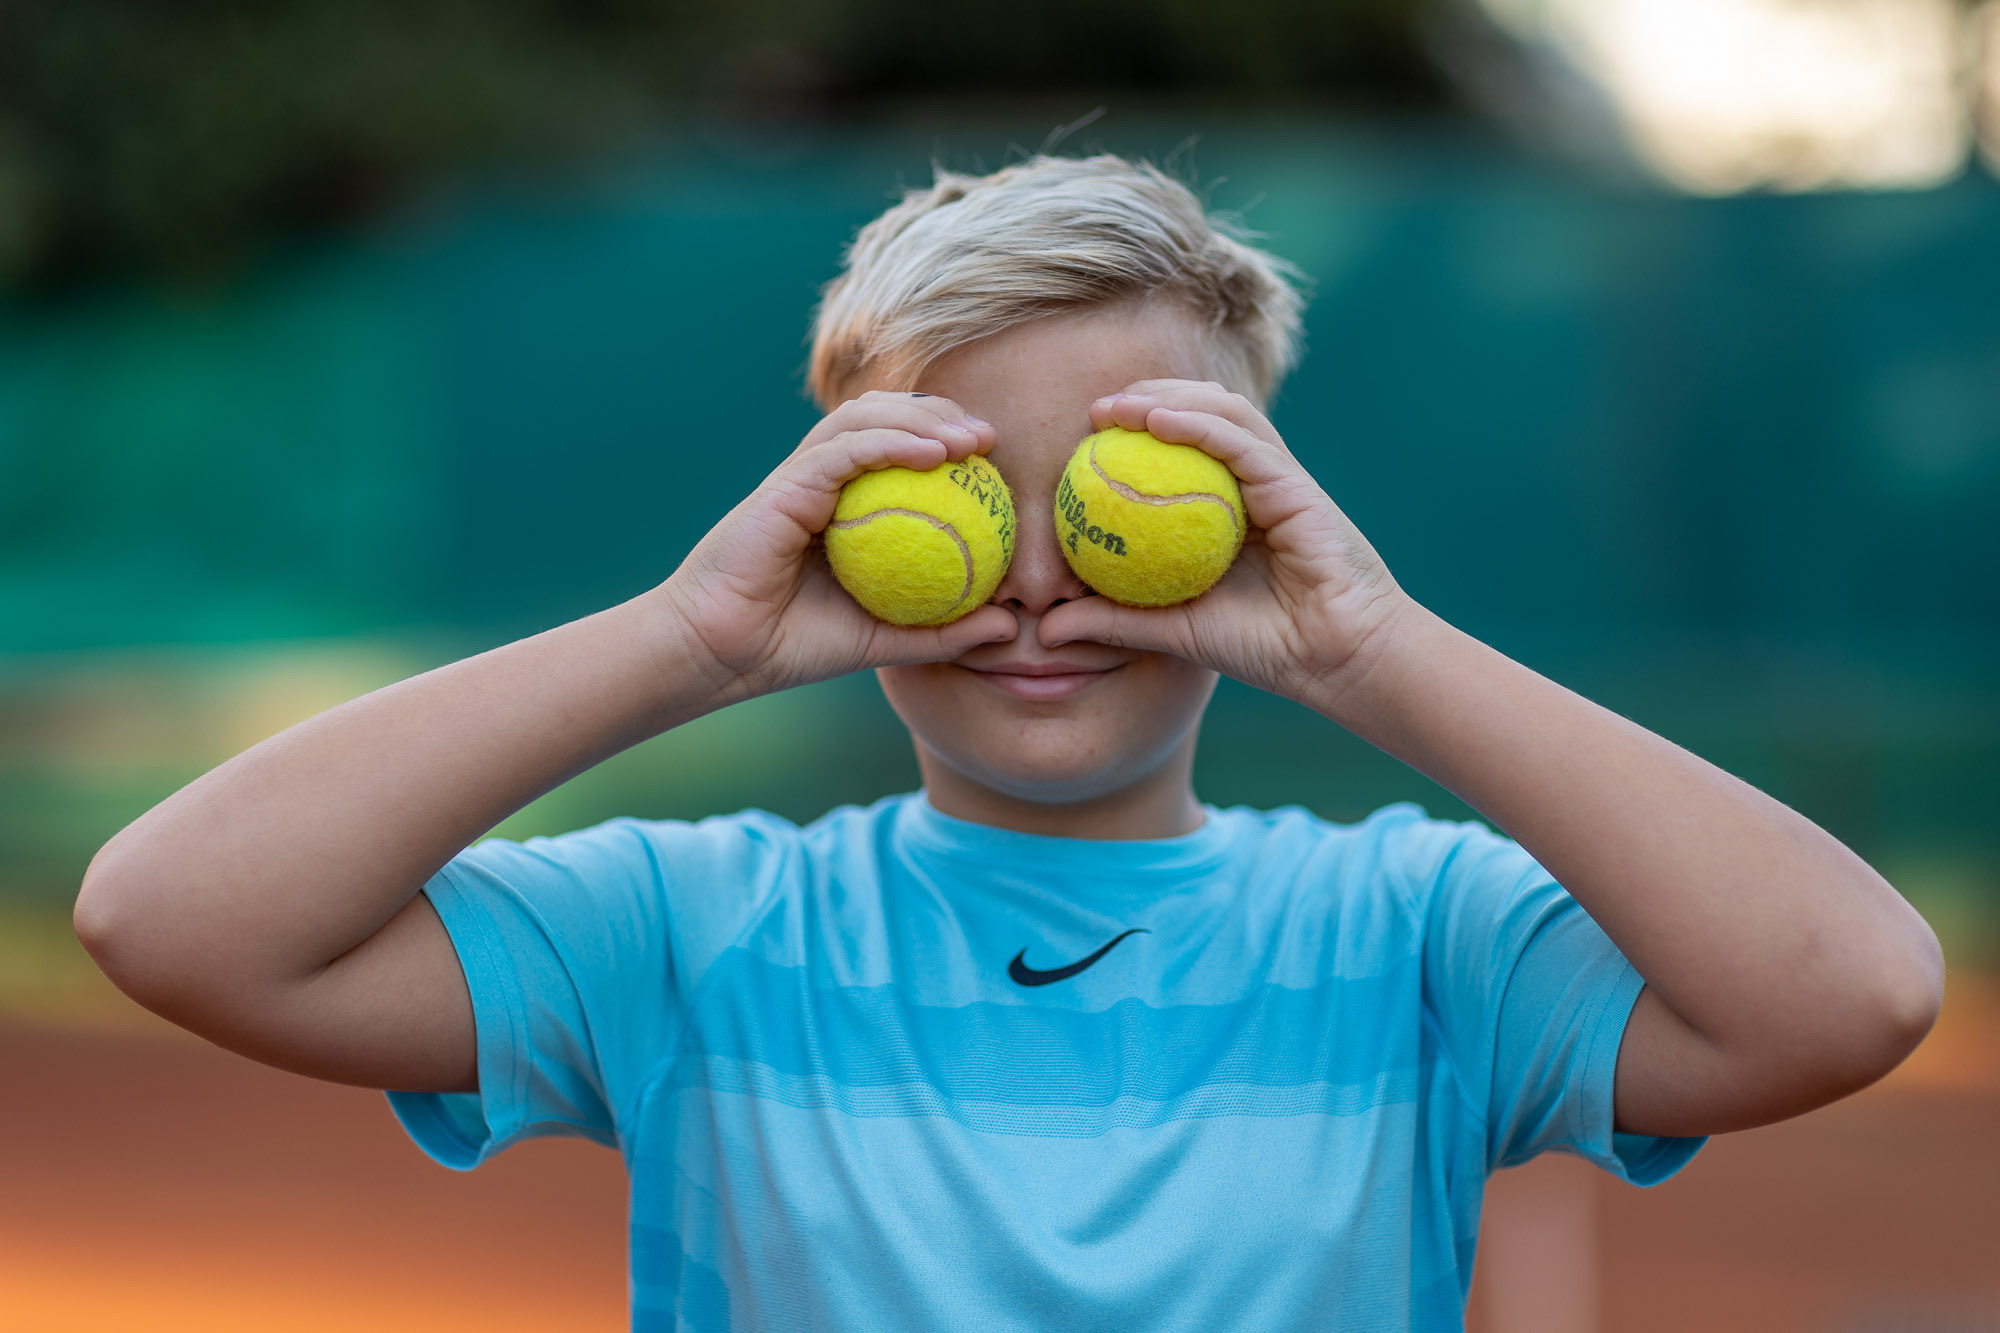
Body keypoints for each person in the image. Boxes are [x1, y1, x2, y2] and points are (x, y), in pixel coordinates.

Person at [75, 153, 1943, 1331]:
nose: (1043, 588)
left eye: (1127, 505)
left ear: (1252, 509)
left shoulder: (1411, 936)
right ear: (834, 520)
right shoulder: (700, 928)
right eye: (964, 505)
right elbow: (174, 916)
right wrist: (683, 641)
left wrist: (1372, 650)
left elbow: (1848, 991)